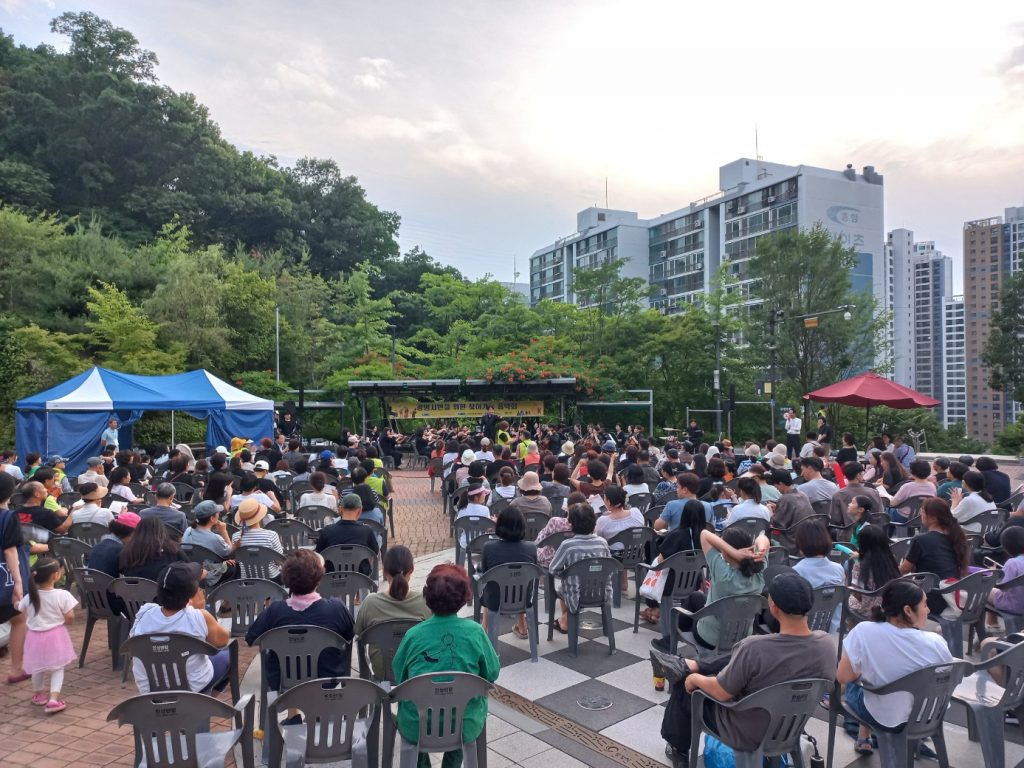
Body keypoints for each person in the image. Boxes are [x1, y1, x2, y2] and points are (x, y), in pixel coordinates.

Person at [654, 573, 836, 768]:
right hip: (790, 728)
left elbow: (721, 692)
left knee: (684, 683)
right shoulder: (826, 644)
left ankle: (677, 748)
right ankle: (695, 664)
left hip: (744, 731)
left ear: (773, 606)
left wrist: (695, 680)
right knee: (742, 658)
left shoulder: (754, 648)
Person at [393, 564, 500, 768]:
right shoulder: (476, 632)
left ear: (427, 597)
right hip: (464, 722)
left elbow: (400, 675)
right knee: (462, 713)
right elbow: (492, 673)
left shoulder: (413, 636)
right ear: (464, 597)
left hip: (418, 724)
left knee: (414, 722)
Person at [838, 580, 953, 755]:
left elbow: (843, 677)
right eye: (925, 605)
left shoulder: (864, 631)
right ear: (907, 610)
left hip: (885, 719)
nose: (928, 610)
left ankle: (864, 736)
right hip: (928, 717)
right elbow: (949, 675)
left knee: (856, 683)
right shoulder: (936, 642)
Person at [245, 549, 354, 709]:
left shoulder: (274, 611)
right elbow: (350, 635)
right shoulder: (336, 608)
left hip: (284, 680)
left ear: (287, 579)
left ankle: (293, 714)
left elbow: (250, 638)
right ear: (319, 578)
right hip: (327, 679)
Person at [129, 561, 231, 694]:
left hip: (149, 689)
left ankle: (199, 703)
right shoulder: (198, 616)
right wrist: (200, 610)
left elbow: (132, 646)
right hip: (192, 687)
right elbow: (223, 640)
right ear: (191, 594)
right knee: (228, 655)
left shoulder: (144, 613)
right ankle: (205, 702)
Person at [353, 546, 430, 678]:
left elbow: (358, 633)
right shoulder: (425, 602)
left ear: (384, 570)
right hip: (416, 672)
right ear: (411, 570)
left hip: (382, 673)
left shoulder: (370, 603)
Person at [17, 557, 77, 713]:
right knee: (57, 668)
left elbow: (20, 608)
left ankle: (38, 695)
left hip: (34, 637)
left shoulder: (30, 596)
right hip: (55, 636)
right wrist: (65, 621)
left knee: (37, 667)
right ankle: (53, 700)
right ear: (55, 575)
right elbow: (70, 616)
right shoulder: (62, 595)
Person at [548, 503, 612, 634]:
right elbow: (609, 567)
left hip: (575, 593)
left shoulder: (567, 545)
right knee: (568, 586)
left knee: (562, 588)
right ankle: (566, 620)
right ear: (594, 523)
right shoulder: (602, 543)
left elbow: (553, 569)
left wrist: (566, 573)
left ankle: (565, 622)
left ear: (571, 524)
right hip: (601, 592)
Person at [900, 497, 970, 615]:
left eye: (922, 511)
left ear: (933, 518)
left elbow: (904, 569)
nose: (920, 514)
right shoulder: (956, 537)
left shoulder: (921, 540)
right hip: (953, 593)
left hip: (933, 597)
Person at [480, 507, 537, 638]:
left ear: (500, 525)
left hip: (495, 600)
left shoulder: (489, 547)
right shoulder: (531, 548)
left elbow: (484, 574)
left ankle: (485, 628)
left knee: (490, 586)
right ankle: (522, 626)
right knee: (519, 582)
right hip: (524, 599)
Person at [791, 521, 845, 631]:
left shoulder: (796, 571)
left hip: (803, 630)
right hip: (828, 628)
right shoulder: (838, 569)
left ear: (800, 544)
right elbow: (839, 604)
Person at [847, 524, 901, 621]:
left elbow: (857, 595)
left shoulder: (860, 566)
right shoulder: (891, 559)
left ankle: (853, 627)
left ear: (862, 544)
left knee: (847, 600)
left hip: (869, 611)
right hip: (889, 607)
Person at [315, 493, 380, 574]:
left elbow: (318, 555)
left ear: (340, 509)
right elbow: (375, 553)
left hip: (332, 579)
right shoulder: (367, 531)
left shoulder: (327, 531)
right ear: (360, 510)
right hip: (361, 578)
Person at [829, 462, 884, 540]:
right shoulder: (873, 492)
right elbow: (880, 514)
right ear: (858, 475)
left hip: (847, 537)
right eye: (862, 473)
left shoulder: (838, 495)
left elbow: (835, 519)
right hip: (873, 535)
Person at [232, 498, 284, 580]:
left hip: (247, 580)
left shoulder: (236, 537)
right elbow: (279, 561)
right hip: (272, 580)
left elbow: (237, 560)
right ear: (260, 516)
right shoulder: (271, 535)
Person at [767, 469, 814, 551]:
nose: (776, 488)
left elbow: (776, 524)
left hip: (793, 541)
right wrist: (778, 507)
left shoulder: (785, 499)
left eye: (776, 485)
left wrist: (770, 512)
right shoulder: (803, 495)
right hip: (809, 537)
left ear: (780, 483)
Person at [987, 527, 1024, 626]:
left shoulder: (1012, 563)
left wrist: (993, 574)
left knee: (983, 590)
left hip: (1014, 605)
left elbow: (1001, 586)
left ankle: (992, 624)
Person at [86, 511, 141, 578]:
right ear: (131, 533)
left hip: (91, 583)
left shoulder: (96, 546)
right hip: (111, 584)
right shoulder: (121, 550)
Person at [887, 459, 935, 523]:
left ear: (912, 472)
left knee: (886, 510)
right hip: (921, 517)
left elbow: (893, 503)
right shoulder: (932, 486)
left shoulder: (907, 486)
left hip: (903, 517)